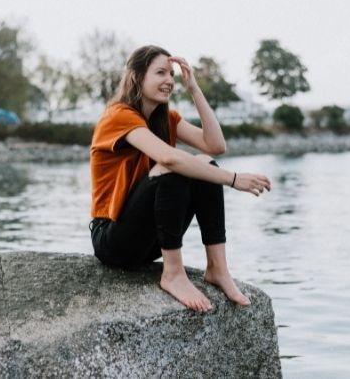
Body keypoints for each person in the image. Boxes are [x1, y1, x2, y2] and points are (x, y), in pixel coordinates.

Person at [89, 45, 271, 312]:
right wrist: (233, 179)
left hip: (149, 240)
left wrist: (194, 88)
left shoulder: (166, 119)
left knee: (204, 163)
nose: (169, 81)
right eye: (160, 73)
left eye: (172, 74)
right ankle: (173, 273)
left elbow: (215, 145)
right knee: (174, 167)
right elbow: (170, 158)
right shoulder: (118, 115)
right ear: (137, 77)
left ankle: (217, 268)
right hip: (113, 240)